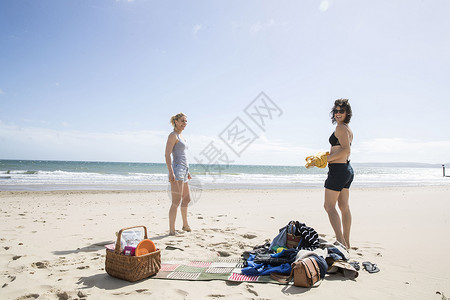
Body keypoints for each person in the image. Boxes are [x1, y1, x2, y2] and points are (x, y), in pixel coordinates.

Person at [323, 99, 354, 249]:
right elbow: (341, 149)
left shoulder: (341, 128)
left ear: (347, 113)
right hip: (346, 170)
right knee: (344, 207)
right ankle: (346, 243)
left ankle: (341, 242)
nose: (337, 113)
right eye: (335, 111)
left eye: (341, 111)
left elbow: (346, 150)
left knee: (329, 206)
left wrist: (326, 160)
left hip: (338, 171)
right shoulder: (347, 129)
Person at [165, 113, 192, 236]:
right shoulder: (173, 136)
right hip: (177, 170)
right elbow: (167, 155)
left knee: (187, 199)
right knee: (176, 201)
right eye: (182, 121)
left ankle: (185, 225)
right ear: (175, 121)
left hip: (184, 170)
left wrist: (188, 171)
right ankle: (171, 230)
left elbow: (183, 156)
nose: (184, 123)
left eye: (185, 121)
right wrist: (171, 172)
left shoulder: (182, 136)